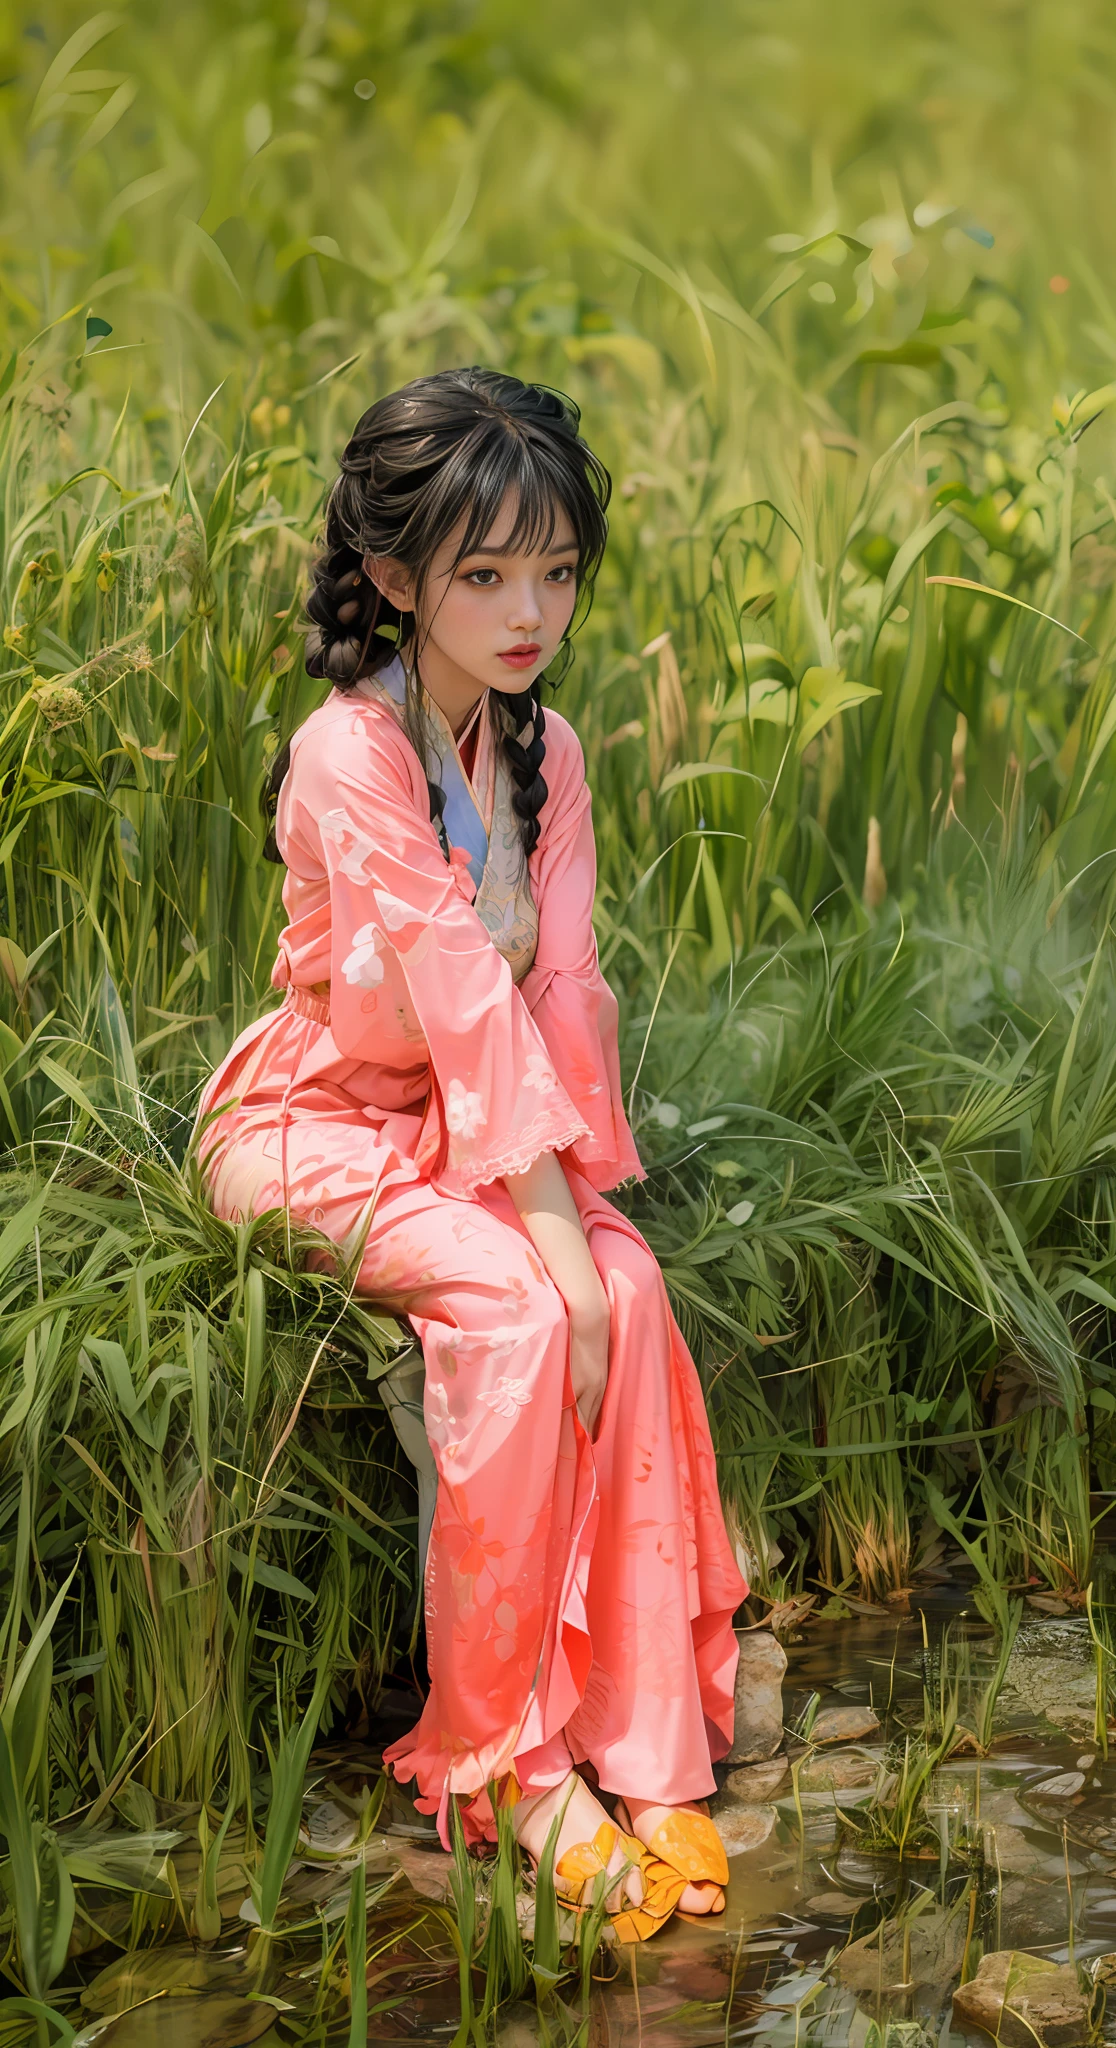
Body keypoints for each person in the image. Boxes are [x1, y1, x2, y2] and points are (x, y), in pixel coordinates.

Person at [196, 368, 748, 1940]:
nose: (531, 611)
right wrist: (552, 1251)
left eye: (558, 572)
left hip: (470, 1122)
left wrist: (583, 1234)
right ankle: (495, 1754)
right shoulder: (344, 757)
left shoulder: (545, 749)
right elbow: (452, 997)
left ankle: (651, 1752)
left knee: (628, 1300)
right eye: (488, 572)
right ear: (394, 578)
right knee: (523, 1313)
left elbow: (557, 996)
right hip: (312, 1123)